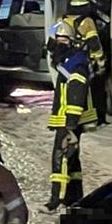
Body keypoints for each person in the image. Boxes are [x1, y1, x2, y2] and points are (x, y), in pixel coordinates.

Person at [45, 20, 97, 210]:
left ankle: (57, 199)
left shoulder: (76, 65)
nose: (59, 43)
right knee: (73, 161)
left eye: (63, 39)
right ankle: (75, 197)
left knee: (60, 158)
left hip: (69, 121)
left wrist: (70, 126)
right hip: (67, 118)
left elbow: (76, 96)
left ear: (71, 41)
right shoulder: (69, 60)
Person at [61, 0, 109, 126]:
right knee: (92, 91)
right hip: (82, 60)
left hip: (66, 63)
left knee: (68, 92)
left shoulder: (64, 19)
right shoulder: (87, 22)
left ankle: (68, 119)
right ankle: (91, 119)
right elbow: (94, 44)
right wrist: (100, 63)